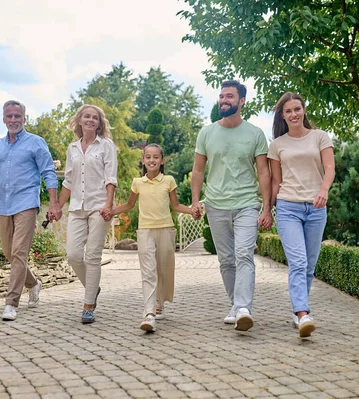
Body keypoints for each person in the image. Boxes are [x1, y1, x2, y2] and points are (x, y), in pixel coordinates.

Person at [191, 80, 272, 332]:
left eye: (229, 96)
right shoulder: (206, 133)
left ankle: (244, 307)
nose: (224, 100)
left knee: (244, 254)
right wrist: (195, 201)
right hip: (216, 205)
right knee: (226, 260)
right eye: (221, 96)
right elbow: (197, 170)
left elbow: (264, 173)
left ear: (241, 101)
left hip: (247, 203)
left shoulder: (255, 134)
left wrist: (267, 207)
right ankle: (236, 306)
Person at [0, 100, 61, 321]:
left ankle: (11, 303)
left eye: (17, 116)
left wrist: (53, 202)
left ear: (24, 118)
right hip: (3, 203)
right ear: (4, 119)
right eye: (9, 116)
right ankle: (33, 283)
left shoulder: (36, 143)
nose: (13, 120)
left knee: (19, 252)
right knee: (9, 253)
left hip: (26, 203)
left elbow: (49, 173)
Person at [102, 144, 197, 332]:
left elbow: (176, 205)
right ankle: (149, 313)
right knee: (148, 271)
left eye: (155, 157)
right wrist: (111, 211)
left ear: (162, 161)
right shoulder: (137, 182)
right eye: (148, 157)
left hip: (166, 229)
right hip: (145, 231)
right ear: (143, 160)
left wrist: (192, 211)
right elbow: (129, 204)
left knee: (163, 269)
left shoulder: (168, 180)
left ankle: (159, 301)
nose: (151, 160)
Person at [268, 92, 335, 337]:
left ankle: (298, 310)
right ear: (282, 116)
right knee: (298, 262)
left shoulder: (320, 137)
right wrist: (267, 209)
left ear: (303, 110)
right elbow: (276, 181)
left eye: (297, 109)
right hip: (288, 208)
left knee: (309, 265)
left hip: (316, 208)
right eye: (288, 111)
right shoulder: (277, 145)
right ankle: (302, 313)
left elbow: (329, 168)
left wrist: (324, 190)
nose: (294, 114)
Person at [55, 104, 117, 324]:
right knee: (73, 255)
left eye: (95, 118)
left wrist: (109, 205)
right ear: (79, 121)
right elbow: (68, 181)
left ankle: (88, 305)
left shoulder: (106, 145)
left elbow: (111, 178)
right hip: (77, 207)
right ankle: (93, 288)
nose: (91, 120)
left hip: (99, 206)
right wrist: (58, 206)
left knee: (92, 256)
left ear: (100, 123)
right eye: (87, 117)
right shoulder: (72, 148)